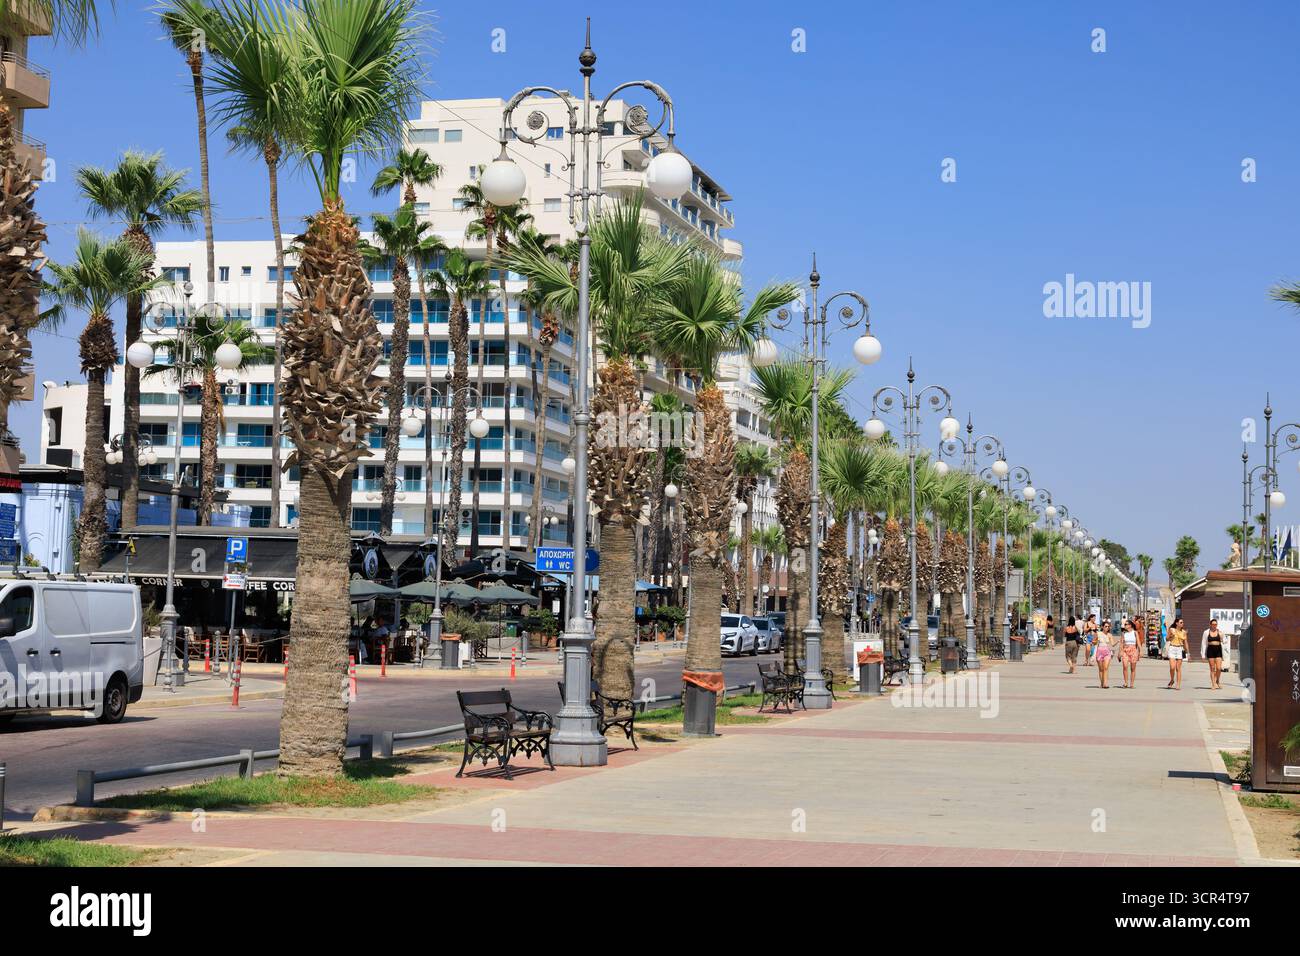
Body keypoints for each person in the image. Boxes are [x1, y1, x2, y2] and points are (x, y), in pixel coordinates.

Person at [1201, 618, 1225, 690]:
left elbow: (1224, 641)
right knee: (1212, 668)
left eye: (1215, 624)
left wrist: (1222, 637)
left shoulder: (1220, 632)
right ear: (1210, 625)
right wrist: (1203, 654)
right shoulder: (1206, 632)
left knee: (1219, 668)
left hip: (1218, 650)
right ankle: (1213, 683)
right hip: (1210, 650)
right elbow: (1203, 643)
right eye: (1213, 624)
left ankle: (1217, 680)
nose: (1214, 626)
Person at [1166, 616, 1189, 689]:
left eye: (1183, 622)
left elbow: (1185, 642)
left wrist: (1188, 652)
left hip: (1180, 649)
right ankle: (1172, 680)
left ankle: (1178, 684)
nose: (1182, 624)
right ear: (1176, 623)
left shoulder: (1184, 632)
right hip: (1172, 648)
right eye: (1181, 622)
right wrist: (1171, 636)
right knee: (1172, 667)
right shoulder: (1171, 629)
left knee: (1178, 668)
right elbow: (1167, 639)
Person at [1119, 617, 1141, 688]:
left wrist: (1140, 651)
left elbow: (1138, 642)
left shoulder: (1135, 632)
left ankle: (1132, 684)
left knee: (1133, 668)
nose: (1124, 626)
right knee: (1125, 666)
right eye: (1124, 624)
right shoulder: (1123, 633)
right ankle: (1125, 683)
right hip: (1125, 650)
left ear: (1130, 625)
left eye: (1126, 624)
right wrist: (1120, 653)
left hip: (1133, 650)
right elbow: (1121, 643)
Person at [1095, 620, 1115, 688]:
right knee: (1101, 669)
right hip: (1099, 651)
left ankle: (1105, 684)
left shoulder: (1110, 635)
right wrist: (1094, 641)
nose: (1107, 628)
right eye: (1106, 626)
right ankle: (1102, 683)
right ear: (1102, 627)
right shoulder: (1098, 633)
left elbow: (1112, 644)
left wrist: (1118, 641)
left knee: (1105, 668)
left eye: (1108, 626)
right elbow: (1094, 641)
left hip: (1107, 652)